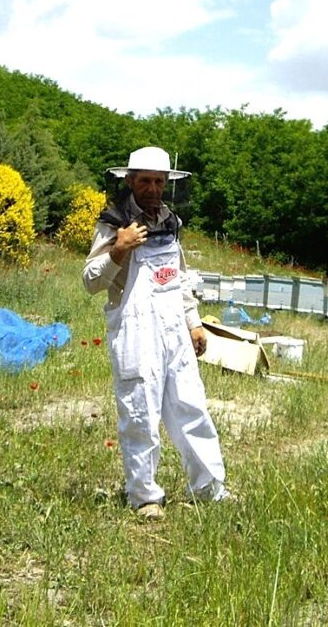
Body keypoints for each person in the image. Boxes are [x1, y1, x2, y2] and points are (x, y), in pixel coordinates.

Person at [83, 146, 230, 520]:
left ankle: (210, 489)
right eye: (145, 180)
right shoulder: (113, 223)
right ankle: (144, 496)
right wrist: (119, 249)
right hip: (135, 332)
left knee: (191, 408)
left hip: (174, 331)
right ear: (130, 180)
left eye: (159, 181)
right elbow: (90, 281)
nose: (152, 188)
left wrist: (193, 322)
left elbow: (178, 276)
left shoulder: (170, 221)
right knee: (140, 413)